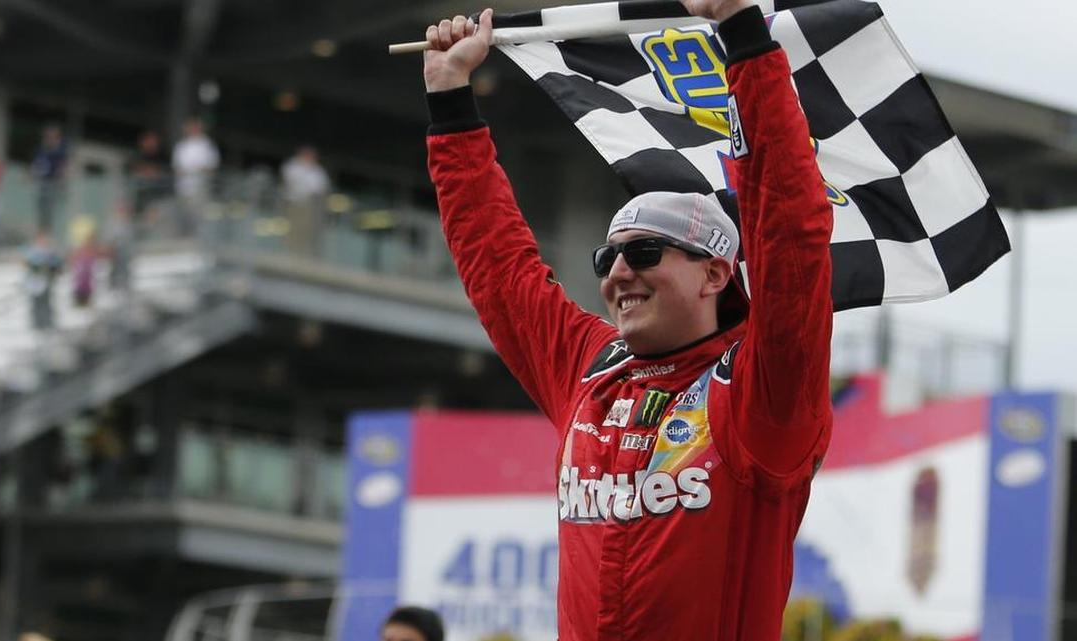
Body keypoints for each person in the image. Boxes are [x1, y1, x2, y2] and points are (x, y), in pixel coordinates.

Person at [422, 1, 833, 640]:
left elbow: (790, 229)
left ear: (716, 273)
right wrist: (450, 102)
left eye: (645, 253)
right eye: (608, 256)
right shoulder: (590, 371)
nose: (618, 272)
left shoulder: (763, 392)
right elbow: (499, 268)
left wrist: (743, 34)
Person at [171, 117, 219, 237]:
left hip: (200, 188)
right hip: (183, 188)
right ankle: (184, 236)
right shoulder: (181, 145)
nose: (192, 130)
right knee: (185, 216)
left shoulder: (207, 145)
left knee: (199, 216)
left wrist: (197, 170)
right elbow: (177, 167)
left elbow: (211, 167)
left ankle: (200, 238)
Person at [280, 145, 331, 256]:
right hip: (293, 202)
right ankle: (289, 251)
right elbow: (290, 180)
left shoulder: (317, 171)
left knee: (305, 229)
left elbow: (320, 188)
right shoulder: (292, 166)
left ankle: (300, 252)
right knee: (292, 227)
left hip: (308, 204)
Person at [30, 124, 69, 235]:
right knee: (41, 210)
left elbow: (64, 167)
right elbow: (36, 165)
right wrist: (32, 174)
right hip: (42, 182)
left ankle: (49, 233)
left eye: (52, 137)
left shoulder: (61, 151)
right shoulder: (41, 150)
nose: (49, 139)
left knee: (51, 211)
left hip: (54, 183)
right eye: (48, 136)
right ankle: (40, 233)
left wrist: (62, 179)